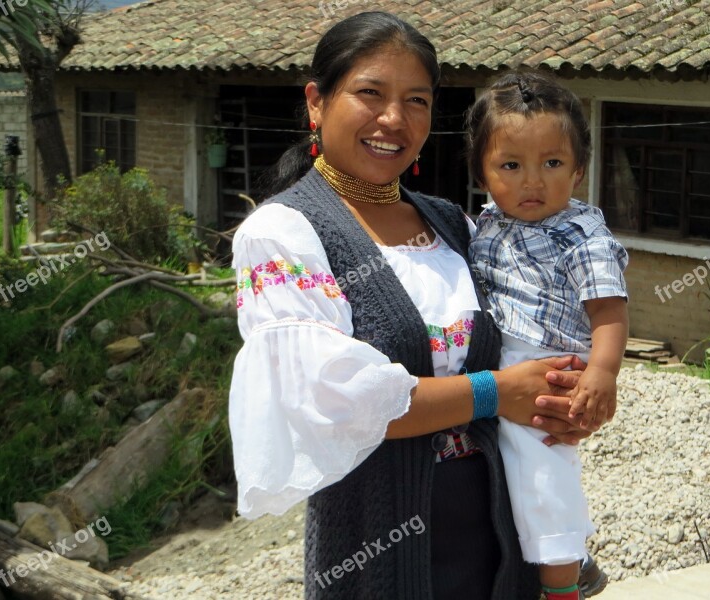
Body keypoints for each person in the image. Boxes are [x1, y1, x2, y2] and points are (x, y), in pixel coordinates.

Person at [229, 12, 596, 600]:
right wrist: (498, 390)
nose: (394, 120)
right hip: (378, 547)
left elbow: (538, 333)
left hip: (503, 540)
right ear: (317, 103)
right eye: (370, 93)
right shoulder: (284, 235)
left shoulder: (454, 225)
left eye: (417, 100)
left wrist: (572, 399)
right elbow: (338, 403)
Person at [467, 71, 629, 600]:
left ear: (579, 170)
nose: (531, 182)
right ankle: (575, 559)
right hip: (499, 357)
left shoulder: (583, 237)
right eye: (510, 166)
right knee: (512, 472)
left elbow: (608, 311)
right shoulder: (486, 224)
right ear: (483, 173)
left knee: (543, 473)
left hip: (551, 367)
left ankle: (561, 582)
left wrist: (602, 374)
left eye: (552, 164)